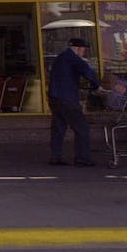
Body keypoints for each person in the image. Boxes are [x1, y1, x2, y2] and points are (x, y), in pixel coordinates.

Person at [46, 37, 102, 166]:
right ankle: (82, 158)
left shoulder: (60, 57)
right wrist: (97, 86)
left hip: (54, 97)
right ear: (78, 48)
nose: (84, 53)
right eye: (83, 50)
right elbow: (86, 71)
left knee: (58, 127)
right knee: (82, 128)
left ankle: (56, 156)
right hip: (67, 98)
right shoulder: (74, 58)